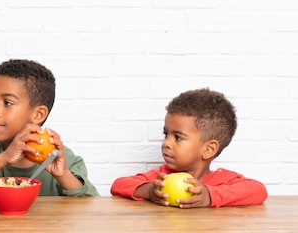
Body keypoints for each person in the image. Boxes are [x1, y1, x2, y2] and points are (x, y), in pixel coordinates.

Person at [111, 88, 267, 208]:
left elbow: (258, 190)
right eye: (166, 135)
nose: (166, 143)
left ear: (209, 149)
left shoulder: (222, 181)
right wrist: (149, 191)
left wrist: (209, 196)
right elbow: (118, 185)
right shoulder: (161, 179)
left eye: (178, 137)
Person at [0, 59, 99, 196]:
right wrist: (4, 158)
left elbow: (94, 205)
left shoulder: (65, 159)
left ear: (38, 114)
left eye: (7, 102)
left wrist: (63, 175)